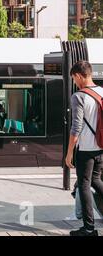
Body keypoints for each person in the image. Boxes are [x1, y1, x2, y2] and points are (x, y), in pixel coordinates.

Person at [65, 60, 103, 236]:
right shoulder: (102, 92)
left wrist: (69, 152)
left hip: (86, 149)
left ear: (79, 76)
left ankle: (89, 229)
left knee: (84, 185)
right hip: (101, 148)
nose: (74, 82)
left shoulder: (79, 96)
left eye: (74, 78)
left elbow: (76, 127)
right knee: (96, 181)